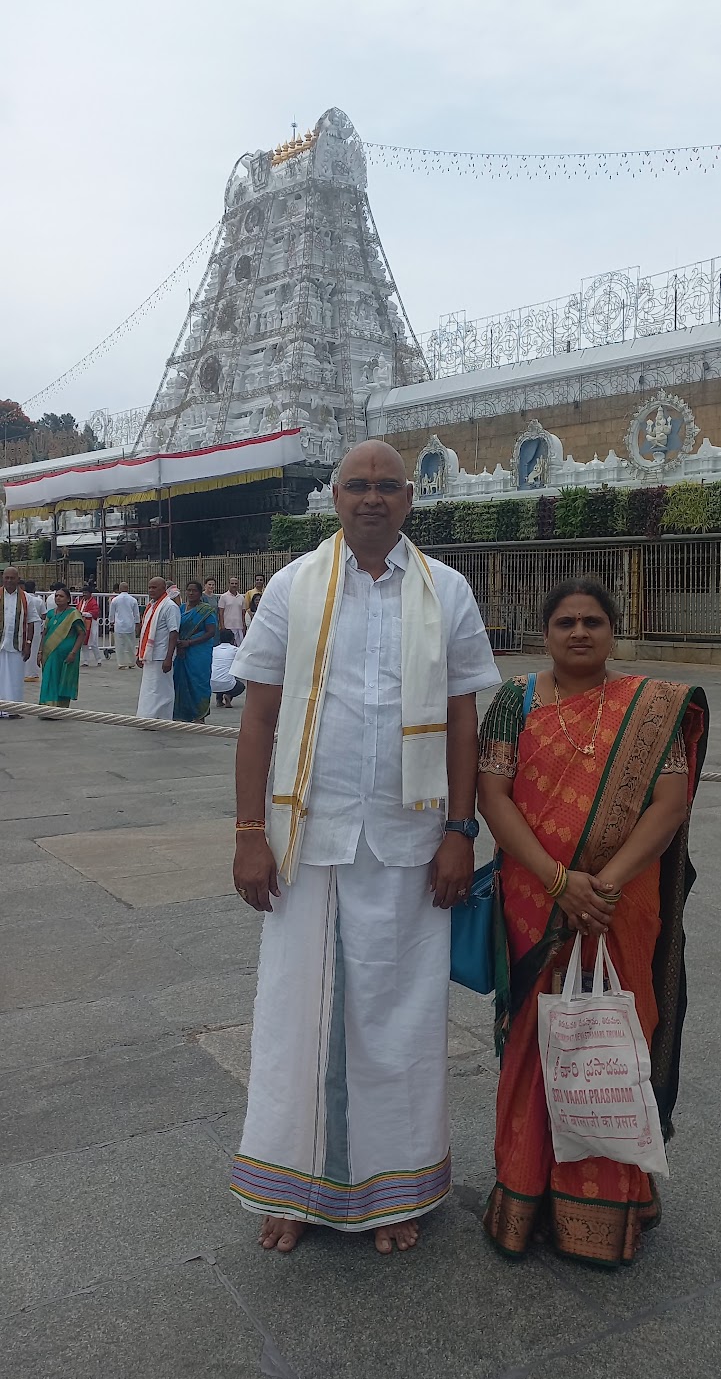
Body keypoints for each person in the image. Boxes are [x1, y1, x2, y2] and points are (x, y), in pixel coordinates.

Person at [230, 442, 500, 1254]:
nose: (371, 499)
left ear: (410, 499)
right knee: (295, 1014)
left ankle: (395, 1192)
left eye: (387, 487)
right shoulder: (291, 586)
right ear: (335, 497)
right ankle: (296, 1188)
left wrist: (459, 830)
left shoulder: (443, 590)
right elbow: (258, 717)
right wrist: (248, 834)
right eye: (357, 486)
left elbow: (462, 720)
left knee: (401, 1017)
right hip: (305, 840)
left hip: (408, 839)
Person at [476, 577, 708, 1269]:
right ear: (544, 633)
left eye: (593, 622)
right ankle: (523, 1189)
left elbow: (667, 803)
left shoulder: (653, 705)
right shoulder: (511, 702)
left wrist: (600, 885)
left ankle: (608, 1202)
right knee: (533, 1040)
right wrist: (557, 882)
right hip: (534, 901)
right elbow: (492, 794)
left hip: (618, 902)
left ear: (612, 630)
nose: (579, 633)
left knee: (611, 1042)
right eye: (565, 622)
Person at [136, 577, 180, 721]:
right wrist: (139, 654)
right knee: (150, 688)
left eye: (154, 588)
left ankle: (161, 718)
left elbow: (174, 632)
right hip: (150, 655)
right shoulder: (151, 606)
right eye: (149, 587)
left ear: (163, 589)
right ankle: (147, 717)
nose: (151, 590)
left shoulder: (169, 606)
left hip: (162, 655)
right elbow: (144, 632)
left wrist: (169, 657)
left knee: (162, 689)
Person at [173, 580, 217, 722]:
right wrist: (179, 644)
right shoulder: (180, 609)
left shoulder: (206, 610)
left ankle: (200, 714)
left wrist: (190, 642)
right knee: (180, 680)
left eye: (194, 591)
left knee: (199, 681)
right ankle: (184, 713)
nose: (191, 593)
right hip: (182, 651)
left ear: (200, 593)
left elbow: (211, 632)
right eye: (189, 590)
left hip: (199, 652)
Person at [38, 585, 86, 708]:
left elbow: (81, 634)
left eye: (61, 596)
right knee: (49, 678)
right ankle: (47, 706)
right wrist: (40, 651)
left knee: (62, 678)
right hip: (50, 652)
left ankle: (60, 708)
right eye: (56, 596)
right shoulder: (50, 614)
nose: (58, 598)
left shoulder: (74, 614)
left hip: (66, 654)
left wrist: (74, 652)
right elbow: (45, 633)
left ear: (68, 599)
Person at [0, 567, 32, 717]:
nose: (9, 581)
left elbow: (32, 622)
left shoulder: (27, 598)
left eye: (12, 578)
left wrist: (29, 643)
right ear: (2, 578)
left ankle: (14, 710)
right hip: (1, 643)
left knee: (15, 677)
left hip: (17, 644)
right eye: (6, 578)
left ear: (18, 579)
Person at [211, 627, 245, 708]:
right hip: (227, 683)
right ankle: (229, 696)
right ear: (232, 639)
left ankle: (219, 700)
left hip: (212, 683)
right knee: (240, 686)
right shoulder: (235, 650)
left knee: (219, 676)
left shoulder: (213, 649)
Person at [109, 582, 141, 668]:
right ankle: (131, 662)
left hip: (119, 625)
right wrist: (137, 623)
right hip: (130, 624)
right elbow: (136, 614)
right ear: (128, 588)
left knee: (119, 645)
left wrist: (111, 622)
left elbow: (111, 613)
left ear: (119, 589)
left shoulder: (115, 600)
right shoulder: (133, 600)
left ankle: (121, 663)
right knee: (131, 645)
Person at [22, 580, 46, 682]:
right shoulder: (38, 600)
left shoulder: (23, 597)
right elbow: (44, 614)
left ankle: (25, 672)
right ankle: (33, 673)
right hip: (35, 624)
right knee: (34, 648)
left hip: (23, 624)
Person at [79, 584, 103, 666]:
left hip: (92, 624)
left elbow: (94, 613)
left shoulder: (93, 602)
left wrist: (83, 614)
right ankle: (85, 661)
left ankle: (99, 660)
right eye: (83, 593)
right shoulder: (81, 601)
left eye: (86, 593)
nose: (84, 594)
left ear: (90, 593)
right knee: (83, 643)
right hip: (83, 624)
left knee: (93, 643)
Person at [219, 577, 245, 645]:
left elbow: (243, 613)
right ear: (229, 584)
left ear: (238, 585)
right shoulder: (223, 597)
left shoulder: (241, 597)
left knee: (239, 647)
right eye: (232, 583)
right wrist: (222, 627)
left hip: (239, 627)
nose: (234, 585)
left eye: (236, 583)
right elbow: (221, 613)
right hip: (228, 627)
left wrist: (243, 626)